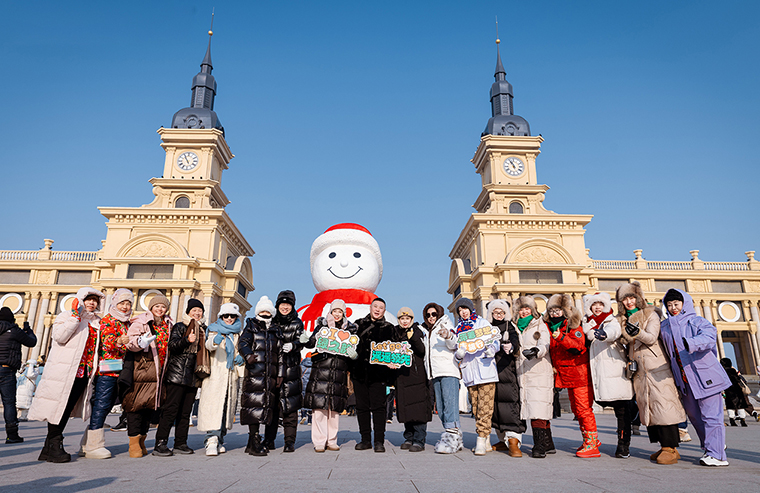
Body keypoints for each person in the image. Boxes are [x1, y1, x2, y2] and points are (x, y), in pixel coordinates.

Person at [29, 287, 105, 463]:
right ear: (80, 300)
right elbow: (59, 337)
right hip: (64, 372)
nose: (92, 303)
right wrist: (74, 317)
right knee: (60, 408)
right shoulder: (67, 316)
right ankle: (55, 444)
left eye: (95, 300)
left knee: (67, 407)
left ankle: (49, 447)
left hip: (83, 373)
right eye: (88, 299)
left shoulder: (96, 323)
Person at [659, 289, 731, 467]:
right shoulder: (665, 326)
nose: (673, 308)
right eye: (669, 305)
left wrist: (691, 342)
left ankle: (717, 455)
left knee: (711, 416)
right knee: (695, 417)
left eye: (676, 304)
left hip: (705, 376)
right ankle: (712, 447)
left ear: (685, 303)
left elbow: (709, 337)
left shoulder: (698, 321)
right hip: (685, 381)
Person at [617, 282, 686, 465]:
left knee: (664, 406)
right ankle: (665, 447)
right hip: (640, 370)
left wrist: (637, 332)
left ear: (638, 298)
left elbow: (651, 337)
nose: (629, 302)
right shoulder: (623, 320)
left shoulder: (650, 314)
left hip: (657, 368)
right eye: (625, 299)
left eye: (632, 298)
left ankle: (670, 448)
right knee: (650, 408)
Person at [545, 293, 600, 458]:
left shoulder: (573, 325)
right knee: (576, 409)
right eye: (551, 311)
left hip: (579, 374)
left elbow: (578, 347)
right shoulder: (549, 326)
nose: (554, 314)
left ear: (564, 310)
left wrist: (561, 337)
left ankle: (592, 443)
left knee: (584, 409)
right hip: (565, 375)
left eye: (557, 310)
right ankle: (588, 439)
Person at [300, 299, 358, 452]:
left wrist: (353, 355)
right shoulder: (322, 327)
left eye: (340, 311)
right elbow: (312, 342)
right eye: (335, 311)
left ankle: (332, 440)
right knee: (319, 409)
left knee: (334, 411)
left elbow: (353, 348)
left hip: (338, 374)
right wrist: (306, 340)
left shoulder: (350, 330)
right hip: (321, 372)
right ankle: (319, 441)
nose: (337, 314)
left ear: (344, 313)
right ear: (330, 312)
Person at [581, 292, 634, 459]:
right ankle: (591, 441)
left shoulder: (612, 320)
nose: (597, 307)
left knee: (622, 410)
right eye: (594, 304)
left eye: (600, 304)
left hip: (614, 371)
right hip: (597, 373)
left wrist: (604, 334)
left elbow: (614, 331)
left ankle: (623, 445)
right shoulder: (586, 323)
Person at [83, 288, 133, 459]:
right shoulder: (108, 320)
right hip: (107, 369)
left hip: (121, 369)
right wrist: (119, 341)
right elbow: (106, 342)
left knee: (108, 404)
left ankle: (87, 443)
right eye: (122, 303)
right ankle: (94, 446)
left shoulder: (127, 323)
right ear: (115, 303)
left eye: (128, 304)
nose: (125, 307)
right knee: (102, 404)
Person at [121, 294, 172, 458]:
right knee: (136, 406)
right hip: (142, 369)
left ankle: (142, 439)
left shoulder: (168, 324)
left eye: (163, 307)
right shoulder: (141, 322)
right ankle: (133, 442)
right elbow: (130, 342)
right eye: (157, 306)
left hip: (160, 372)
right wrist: (140, 343)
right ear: (151, 307)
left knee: (150, 407)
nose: (160, 309)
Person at [153, 298, 205, 457]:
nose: (197, 313)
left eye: (200, 311)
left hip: (193, 377)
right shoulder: (180, 326)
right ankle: (160, 443)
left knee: (185, 412)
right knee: (170, 410)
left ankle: (180, 443)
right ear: (188, 312)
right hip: (177, 374)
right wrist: (186, 340)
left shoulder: (203, 330)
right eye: (194, 310)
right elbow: (172, 346)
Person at [453, 297, 498, 456]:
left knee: (486, 407)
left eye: (465, 308)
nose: (463, 312)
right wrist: (458, 355)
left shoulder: (482, 323)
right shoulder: (458, 329)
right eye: (460, 310)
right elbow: (454, 352)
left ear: (471, 309)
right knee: (476, 408)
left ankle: (481, 439)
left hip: (485, 371)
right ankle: (486, 440)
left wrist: (492, 349)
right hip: (470, 374)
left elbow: (494, 340)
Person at [198, 303, 244, 456]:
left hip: (230, 376)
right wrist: (215, 341)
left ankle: (220, 439)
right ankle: (211, 440)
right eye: (226, 316)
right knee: (214, 408)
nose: (229, 318)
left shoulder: (238, 333)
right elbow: (208, 346)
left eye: (232, 316)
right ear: (221, 317)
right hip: (215, 376)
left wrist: (241, 357)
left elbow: (240, 350)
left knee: (225, 409)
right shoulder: (213, 329)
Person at [351, 297, 397, 452]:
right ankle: (365, 439)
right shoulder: (358, 324)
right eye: (375, 306)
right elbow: (350, 343)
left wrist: (393, 362)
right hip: (359, 373)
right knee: (361, 407)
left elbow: (395, 350)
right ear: (370, 308)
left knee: (379, 408)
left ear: (384, 311)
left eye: (381, 307)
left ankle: (379, 441)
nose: (377, 309)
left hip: (379, 375)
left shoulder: (389, 328)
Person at [512, 296, 555, 458]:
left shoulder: (539, 324)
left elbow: (545, 343)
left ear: (533, 310)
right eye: (521, 309)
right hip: (522, 373)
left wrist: (537, 351)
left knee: (538, 409)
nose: (524, 312)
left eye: (527, 308)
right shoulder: (515, 327)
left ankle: (539, 445)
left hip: (539, 372)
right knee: (533, 407)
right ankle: (548, 443)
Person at [238, 296, 280, 457]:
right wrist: (248, 355)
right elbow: (243, 343)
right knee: (253, 407)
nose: (265, 314)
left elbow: (280, 353)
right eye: (262, 311)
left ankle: (251, 442)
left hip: (270, 375)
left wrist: (280, 374)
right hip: (255, 373)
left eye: (268, 312)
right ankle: (254, 439)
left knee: (266, 407)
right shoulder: (251, 326)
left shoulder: (275, 329)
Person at [419, 302, 463, 454]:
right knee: (441, 408)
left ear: (439, 314)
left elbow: (454, 343)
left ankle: (452, 438)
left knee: (450, 406)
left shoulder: (446, 324)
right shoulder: (426, 330)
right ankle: (455, 436)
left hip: (448, 371)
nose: (431, 317)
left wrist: (448, 335)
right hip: (435, 373)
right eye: (428, 315)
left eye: (434, 314)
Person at [264, 290, 303, 453]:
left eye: (288, 304)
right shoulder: (272, 321)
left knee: (290, 408)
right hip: (273, 369)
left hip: (290, 370)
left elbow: (301, 340)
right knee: (272, 406)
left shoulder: (297, 322)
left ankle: (289, 441)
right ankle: (269, 439)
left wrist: (294, 345)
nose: (285, 307)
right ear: (277, 305)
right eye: (282, 304)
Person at [487, 299, 525, 457]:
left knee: (511, 405)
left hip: (507, 370)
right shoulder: (487, 328)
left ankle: (514, 441)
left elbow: (515, 341)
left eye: (501, 312)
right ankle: (502, 439)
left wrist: (512, 347)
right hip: (490, 371)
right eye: (496, 312)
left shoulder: (510, 326)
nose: (499, 315)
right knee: (495, 406)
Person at [394, 307, 431, 452]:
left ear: (412, 319)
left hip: (417, 375)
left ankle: (419, 440)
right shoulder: (395, 332)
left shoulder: (418, 331)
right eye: (402, 318)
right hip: (402, 376)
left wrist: (413, 336)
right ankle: (408, 437)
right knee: (406, 408)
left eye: (407, 318)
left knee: (418, 408)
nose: (405, 321)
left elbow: (422, 350)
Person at [0, 307, 37, 443]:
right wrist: (28, 331)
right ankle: (12, 435)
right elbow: (32, 342)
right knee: (9, 403)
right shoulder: (14, 330)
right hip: (7, 370)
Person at [721, 358, 750, 428]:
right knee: (740, 406)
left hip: (728, 391)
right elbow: (738, 379)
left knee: (730, 406)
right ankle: (742, 420)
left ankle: (732, 420)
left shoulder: (722, 372)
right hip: (737, 390)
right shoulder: (733, 371)